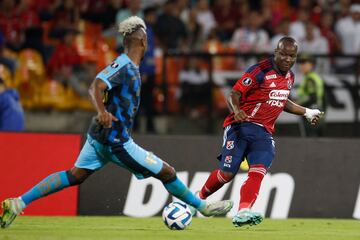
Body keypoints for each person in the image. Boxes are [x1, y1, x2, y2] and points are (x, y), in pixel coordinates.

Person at [0, 16, 233, 229]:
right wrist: (101, 110)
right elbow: (96, 86)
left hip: (100, 136)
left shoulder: (128, 66)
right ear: (142, 41)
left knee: (75, 175)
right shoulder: (124, 66)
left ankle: (18, 203)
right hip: (116, 141)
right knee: (167, 172)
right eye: (146, 38)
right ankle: (202, 207)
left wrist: (102, 113)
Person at [197, 37, 323, 227]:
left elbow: (282, 100)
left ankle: (243, 211)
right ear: (276, 52)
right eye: (284, 54)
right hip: (240, 126)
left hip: (263, 132)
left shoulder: (290, 77)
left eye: (292, 56)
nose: (288, 59)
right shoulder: (260, 70)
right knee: (227, 174)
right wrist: (237, 111)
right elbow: (234, 93)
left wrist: (306, 112)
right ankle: (195, 200)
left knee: (258, 170)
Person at [297, 54, 326, 137]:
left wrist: (298, 106)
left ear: (312, 65)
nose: (301, 66)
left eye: (304, 63)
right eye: (301, 63)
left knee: (309, 141)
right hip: (317, 112)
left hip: (310, 113)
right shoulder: (315, 77)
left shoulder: (310, 79)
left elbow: (313, 98)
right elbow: (323, 98)